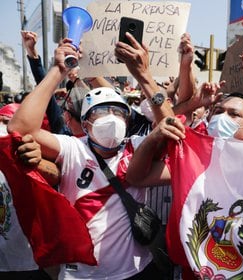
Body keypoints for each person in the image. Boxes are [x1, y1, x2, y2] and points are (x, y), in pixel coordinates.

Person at [8, 39, 162, 279]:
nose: (111, 118)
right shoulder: (72, 148)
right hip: (82, 273)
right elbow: (21, 128)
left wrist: (144, 75)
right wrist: (58, 70)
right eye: (101, 111)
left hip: (136, 270)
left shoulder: (137, 147)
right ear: (86, 123)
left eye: (118, 112)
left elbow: (171, 128)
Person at [0, 104, 59, 280]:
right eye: (2, 121)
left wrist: (35, 162)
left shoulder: (37, 154)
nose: (5, 129)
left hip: (31, 263)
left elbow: (56, 176)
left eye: (10, 123)